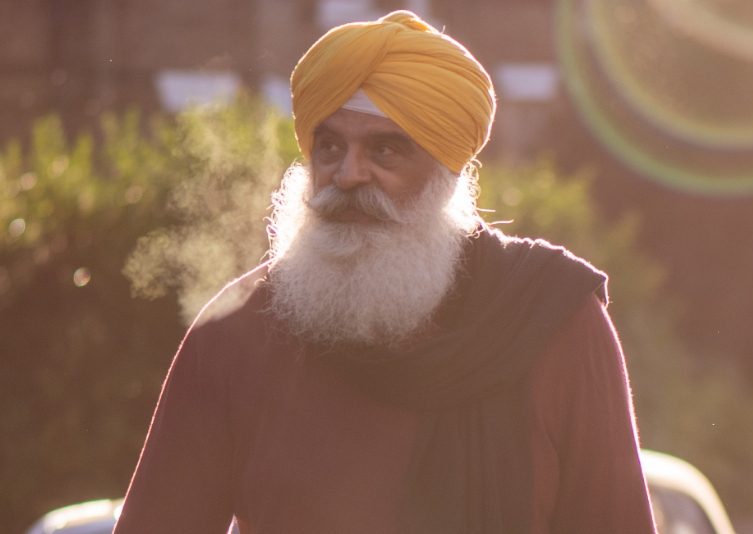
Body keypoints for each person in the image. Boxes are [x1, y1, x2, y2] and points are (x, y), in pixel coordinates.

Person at [114, 11, 655, 534]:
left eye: (386, 149)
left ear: (447, 173)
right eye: (329, 146)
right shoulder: (235, 334)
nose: (348, 175)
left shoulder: (555, 323)